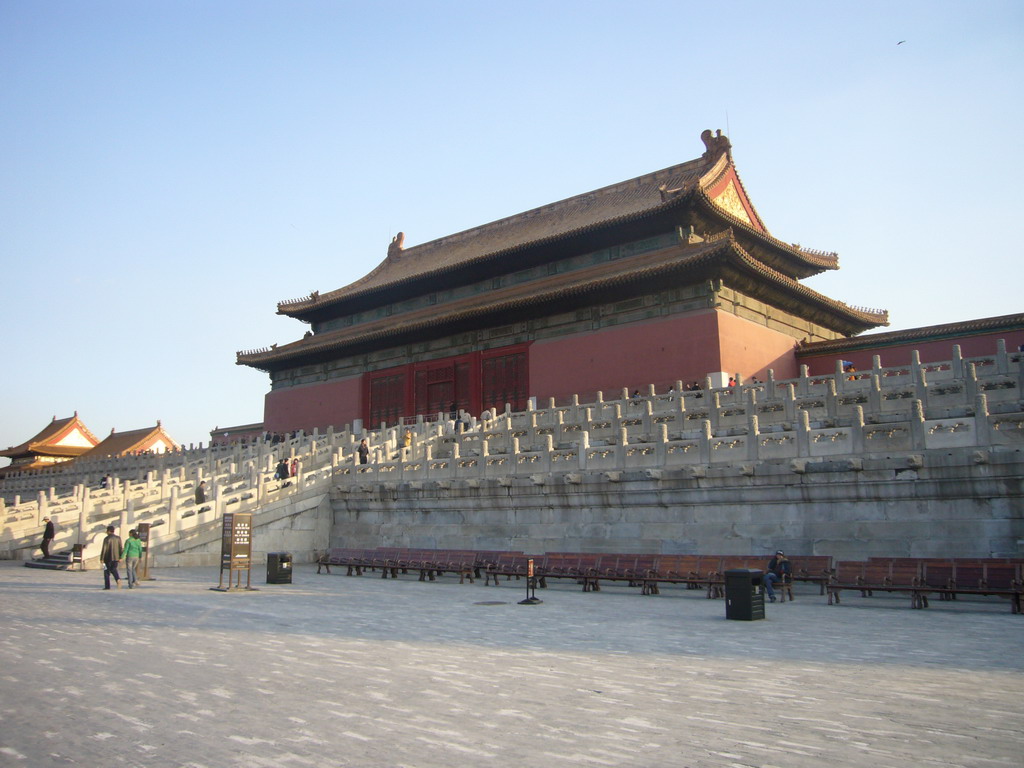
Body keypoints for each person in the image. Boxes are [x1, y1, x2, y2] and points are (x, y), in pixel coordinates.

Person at [100, 525, 123, 590]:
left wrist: (101, 558)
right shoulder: (118, 538)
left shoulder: (106, 538)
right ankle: (118, 579)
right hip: (116, 558)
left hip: (107, 558)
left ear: (108, 531)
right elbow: (120, 548)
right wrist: (121, 556)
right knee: (113, 569)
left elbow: (104, 549)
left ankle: (107, 586)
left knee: (106, 572)